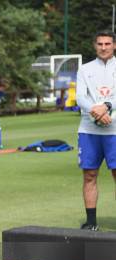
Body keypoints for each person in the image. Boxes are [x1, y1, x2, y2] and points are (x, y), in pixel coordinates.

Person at [76, 30, 116, 230]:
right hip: (89, 130)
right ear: (95, 45)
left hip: (115, 131)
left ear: (114, 45)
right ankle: (91, 222)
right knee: (89, 175)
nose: (103, 47)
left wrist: (107, 106)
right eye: (100, 43)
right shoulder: (85, 69)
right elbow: (80, 97)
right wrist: (96, 111)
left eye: (107, 44)